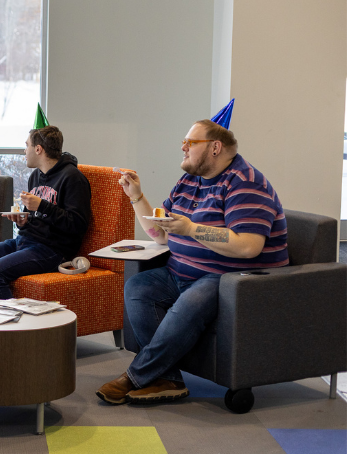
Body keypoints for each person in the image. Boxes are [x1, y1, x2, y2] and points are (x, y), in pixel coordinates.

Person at [96, 118, 289, 405]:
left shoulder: (245, 183)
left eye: (191, 142)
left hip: (230, 278)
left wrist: (191, 229)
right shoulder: (189, 180)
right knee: (138, 287)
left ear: (215, 147)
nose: (183, 147)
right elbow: (160, 234)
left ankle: (135, 377)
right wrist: (136, 196)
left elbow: (248, 246)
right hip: (181, 272)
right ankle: (167, 379)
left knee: (189, 303)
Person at [0, 125, 91, 298]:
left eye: (27, 145)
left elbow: (78, 224)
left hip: (51, 250)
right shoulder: (36, 176)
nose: (24, 151)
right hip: (24, 241)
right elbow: (35, 215)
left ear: (38, 149)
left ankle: (13, 323)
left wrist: (42, 205)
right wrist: (23, 220)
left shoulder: (73, 178)